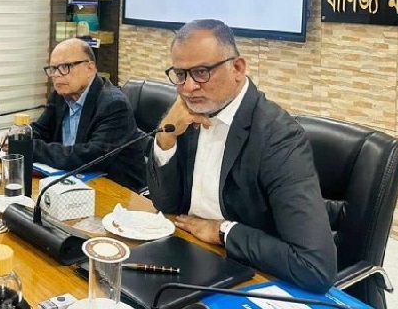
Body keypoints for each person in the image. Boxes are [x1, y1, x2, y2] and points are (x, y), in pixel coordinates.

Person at [146, 19, 336, 293]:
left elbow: (315, 267)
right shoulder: (188, 114)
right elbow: (166, 203)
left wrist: (224, 231)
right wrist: (167, 136)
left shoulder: (278, 137)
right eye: (180, 74)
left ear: (237, 68)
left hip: (250, 272)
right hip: (187, 250)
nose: (187, 88)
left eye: (201, 72)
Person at [31, 38, 145, 190]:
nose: (57, 75)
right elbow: (40, 130)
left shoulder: (114, 105)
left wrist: (31, 147)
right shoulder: (60, 96)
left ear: (90, 68)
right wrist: (19, 136)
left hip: (115, 190)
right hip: (73, 181)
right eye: (53, 69)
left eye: (65, 67)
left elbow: (89, 157)